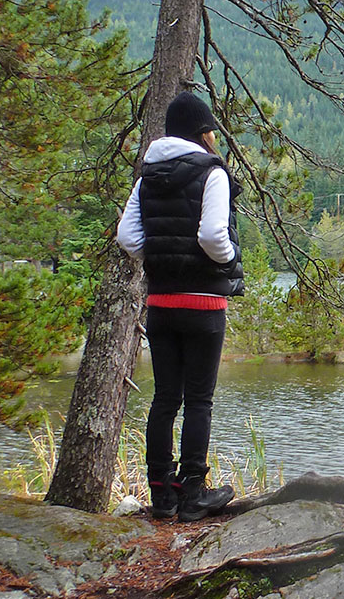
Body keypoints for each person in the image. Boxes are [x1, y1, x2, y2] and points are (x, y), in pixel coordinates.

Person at [116, 91, 243, 521]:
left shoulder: (147, 176)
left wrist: (162, 259)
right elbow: (212, 236)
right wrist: (229, 260)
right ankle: (192, 494)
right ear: (201, 131)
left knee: (165, 398)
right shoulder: (213, 172)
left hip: (160, 302)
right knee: (200, 399)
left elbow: (128, 239)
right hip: (204, 303)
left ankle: (161, 496)